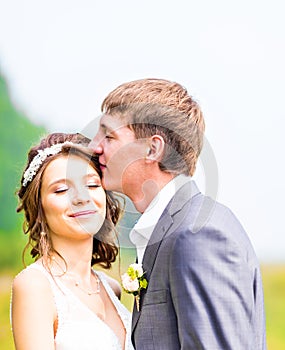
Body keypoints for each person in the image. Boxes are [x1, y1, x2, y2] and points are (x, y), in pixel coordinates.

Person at [88, 78, 267, 349]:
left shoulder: (198, 234)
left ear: (152, 149)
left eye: (109, 136)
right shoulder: (175, 228)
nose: (94, 146)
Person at [11, 132, 134, 350]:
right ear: (39, 208)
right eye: (61, 189)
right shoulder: (35, 286)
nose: (81, 197)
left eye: (93, 185)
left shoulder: (110, 287)